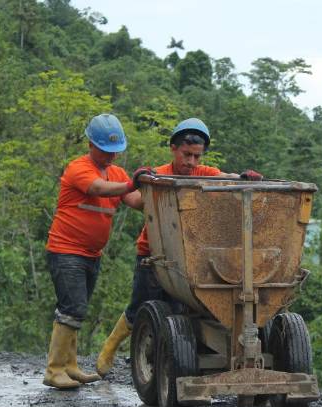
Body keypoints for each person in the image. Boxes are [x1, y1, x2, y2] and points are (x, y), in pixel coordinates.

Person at [95, 118, 263, 377]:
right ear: (173, 148)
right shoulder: (159, 174)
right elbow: (137, 201)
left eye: (197, 156)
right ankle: (110, 347)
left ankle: (166, 365)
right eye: (186, 155)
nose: (191, 162)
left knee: (177, 312)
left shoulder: (203, 173)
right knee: (140, 306)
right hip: (154, 253)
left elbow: (226, 178)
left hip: (187, 258)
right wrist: (139, 182)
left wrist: (243, 178)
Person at [43, 113, 147, 389]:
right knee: (72, 308)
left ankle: (70, 366)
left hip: (91, 254)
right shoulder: (79, 168)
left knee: (77, 309)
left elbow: (135, 201)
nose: (111, 156)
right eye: (105, 150)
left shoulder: (117, 173)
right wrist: (131, 183)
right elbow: (98, 188)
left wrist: (153, 187)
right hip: (66, 251)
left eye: (115, 151)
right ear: (91, 144)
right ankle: (54, 370)